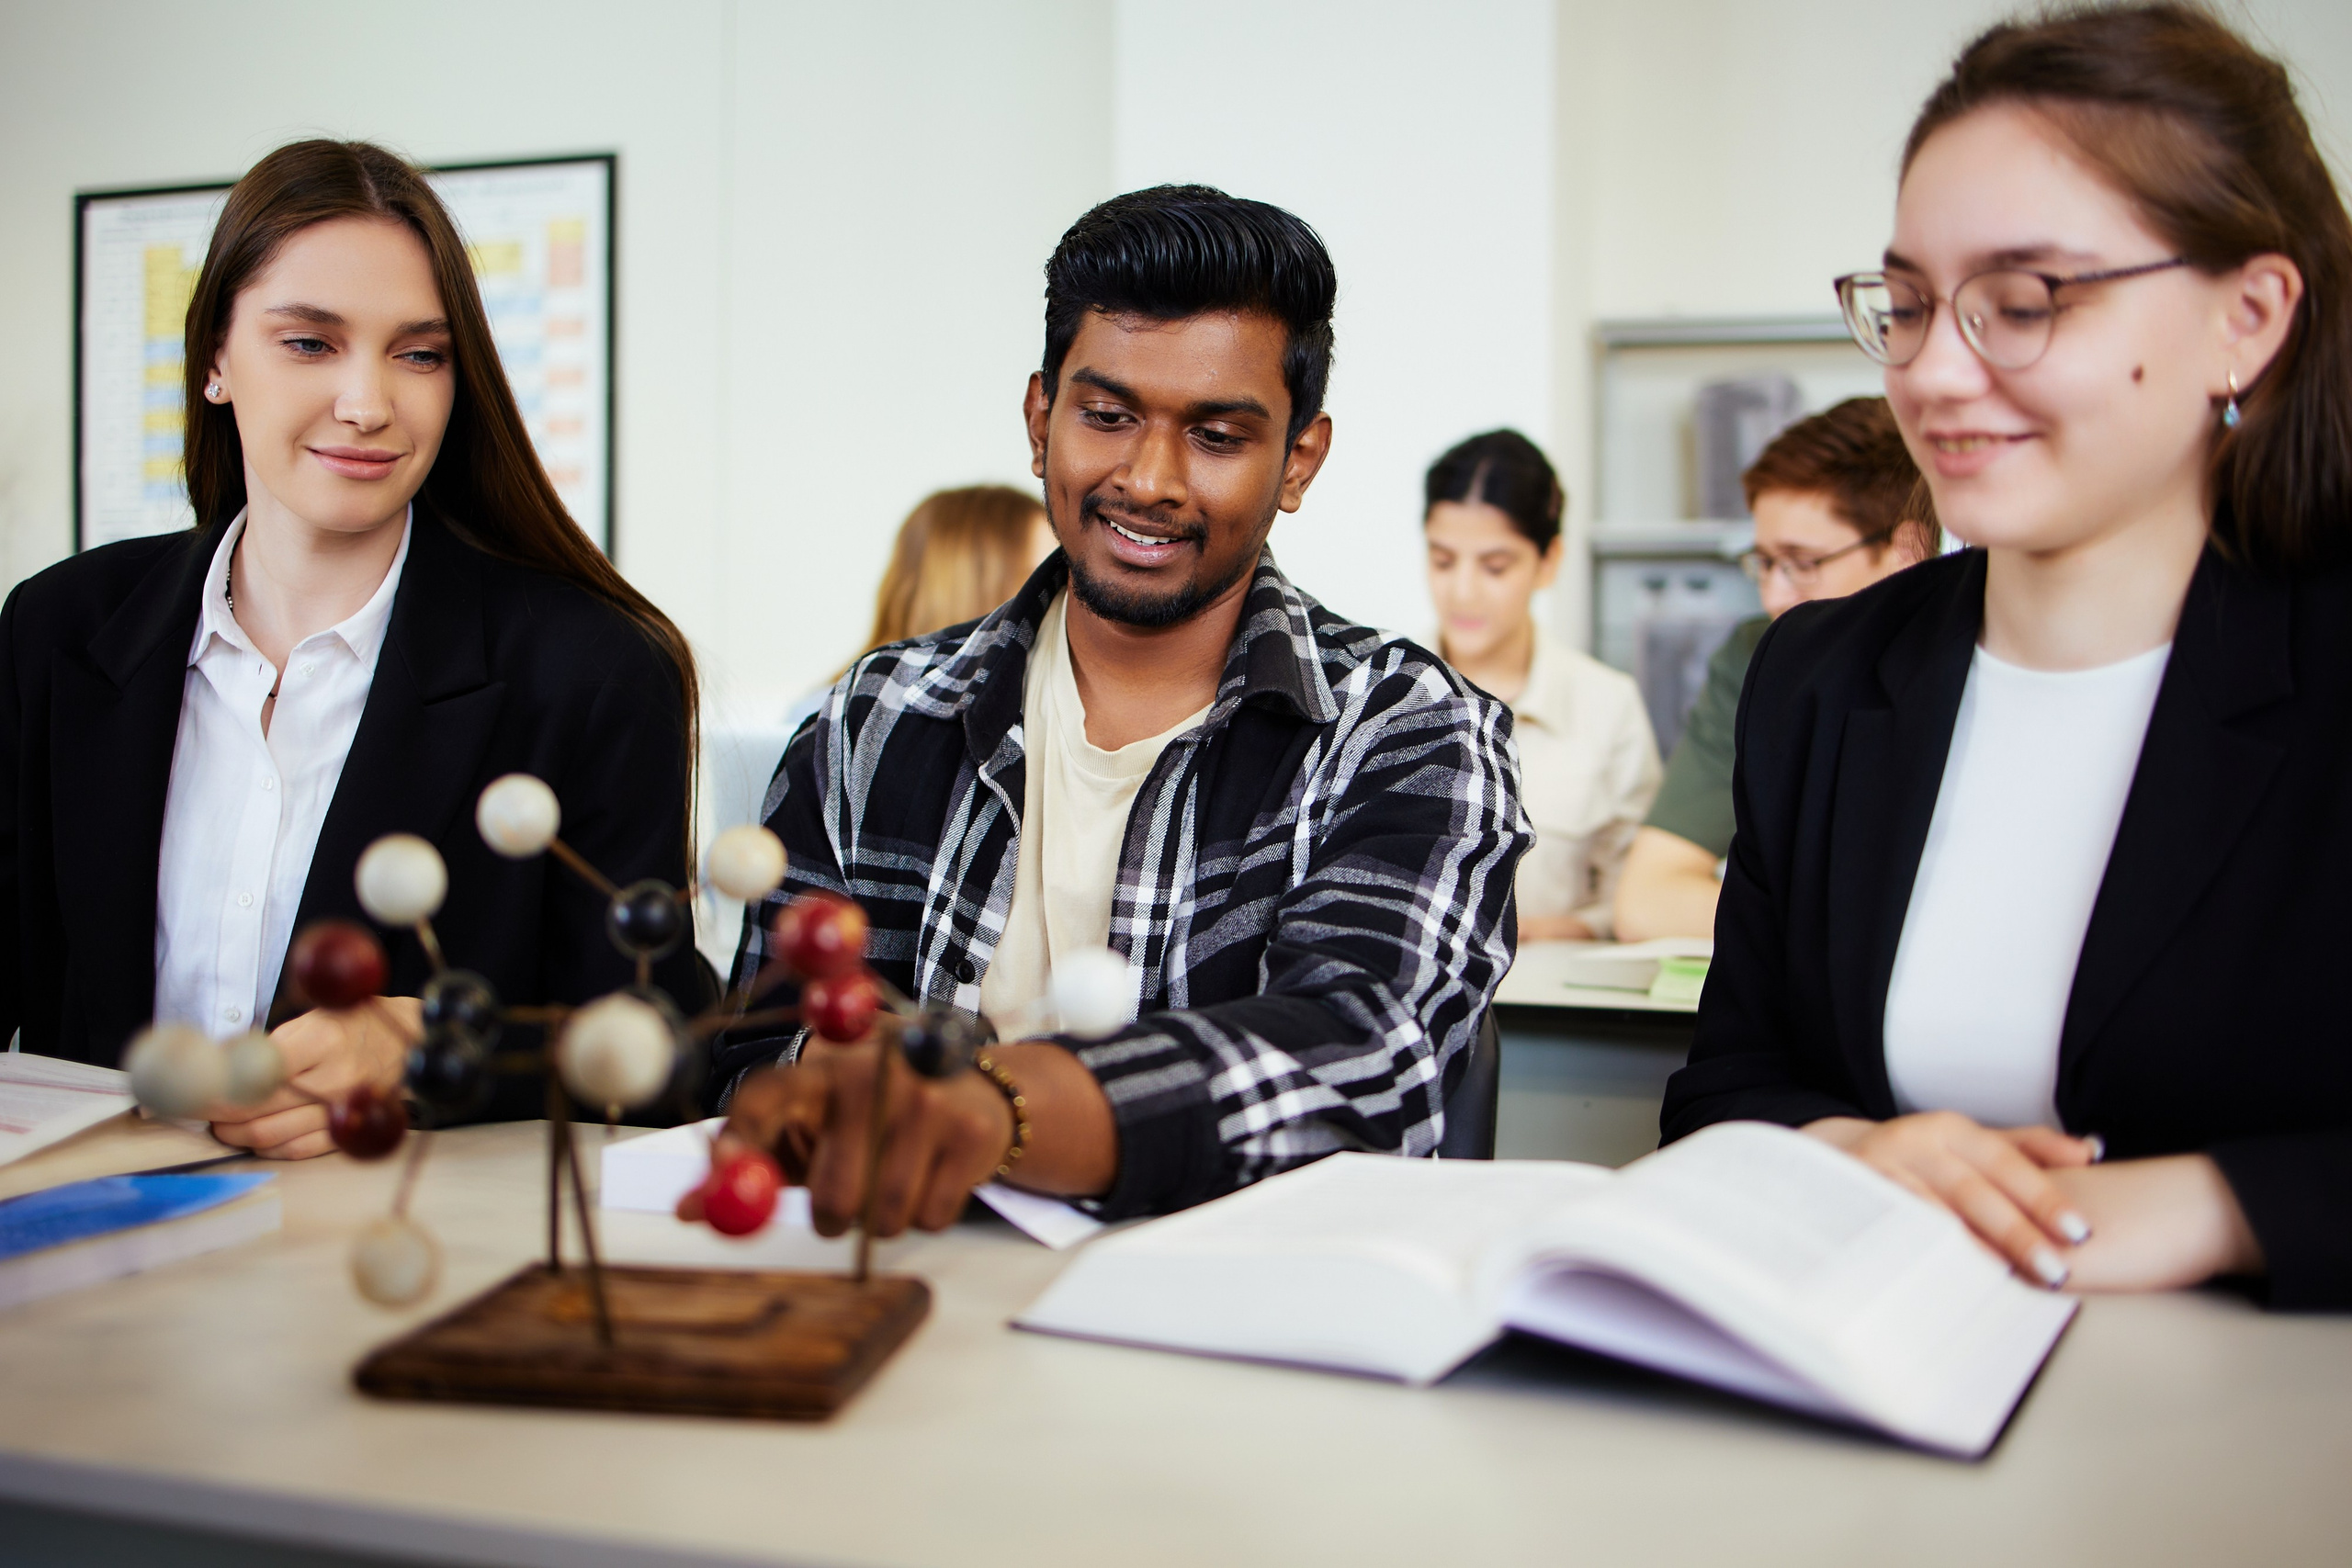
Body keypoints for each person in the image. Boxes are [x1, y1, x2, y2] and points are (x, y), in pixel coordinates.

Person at [1661, 3, 2352, 1308]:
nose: (1933, 373)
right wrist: (1860, 1149)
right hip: (1896, 1393)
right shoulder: (1818, 679)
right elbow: (1723, 1093)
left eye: (2023, 304)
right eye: (1911, 306)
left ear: (2248, 317)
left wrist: (2216, 1201)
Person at [700, 185, 1529, 1233]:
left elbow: (1365, 1056)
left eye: (1217, 436)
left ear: (1298, 462)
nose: (1149, 479)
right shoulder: (875, 717)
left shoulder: (1406, 729)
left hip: (1231, 1336)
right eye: (1106, 417)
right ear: (1041, 421)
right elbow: (757, 1050)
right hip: (905, 1298)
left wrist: (994, 1108)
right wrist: (815, 1084)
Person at [0, 140, 705, 1156]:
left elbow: (668, 1055)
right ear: (213, 359)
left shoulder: (591, 672)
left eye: (419, 354)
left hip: (391, 1269)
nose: (370, 403)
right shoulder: (58, 631)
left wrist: (439, 1049)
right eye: (309, 343)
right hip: (89, 1263)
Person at [1613, 399, 1937, 942]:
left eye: (1803, 564)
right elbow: (1649, 901)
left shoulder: (1975, 662)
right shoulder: (1754, 657)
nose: (1772, 596)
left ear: (1908, 550)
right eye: (1764, 562)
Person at [1424, 430, 1657, 940]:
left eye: (1495, 566)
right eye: (1443, 561)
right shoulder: (1381, 692)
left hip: (1554, 1007)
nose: (1462, 591)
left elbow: (1638, 896)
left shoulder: (1608, 707)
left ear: (1548, 561)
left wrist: (1554, 930)